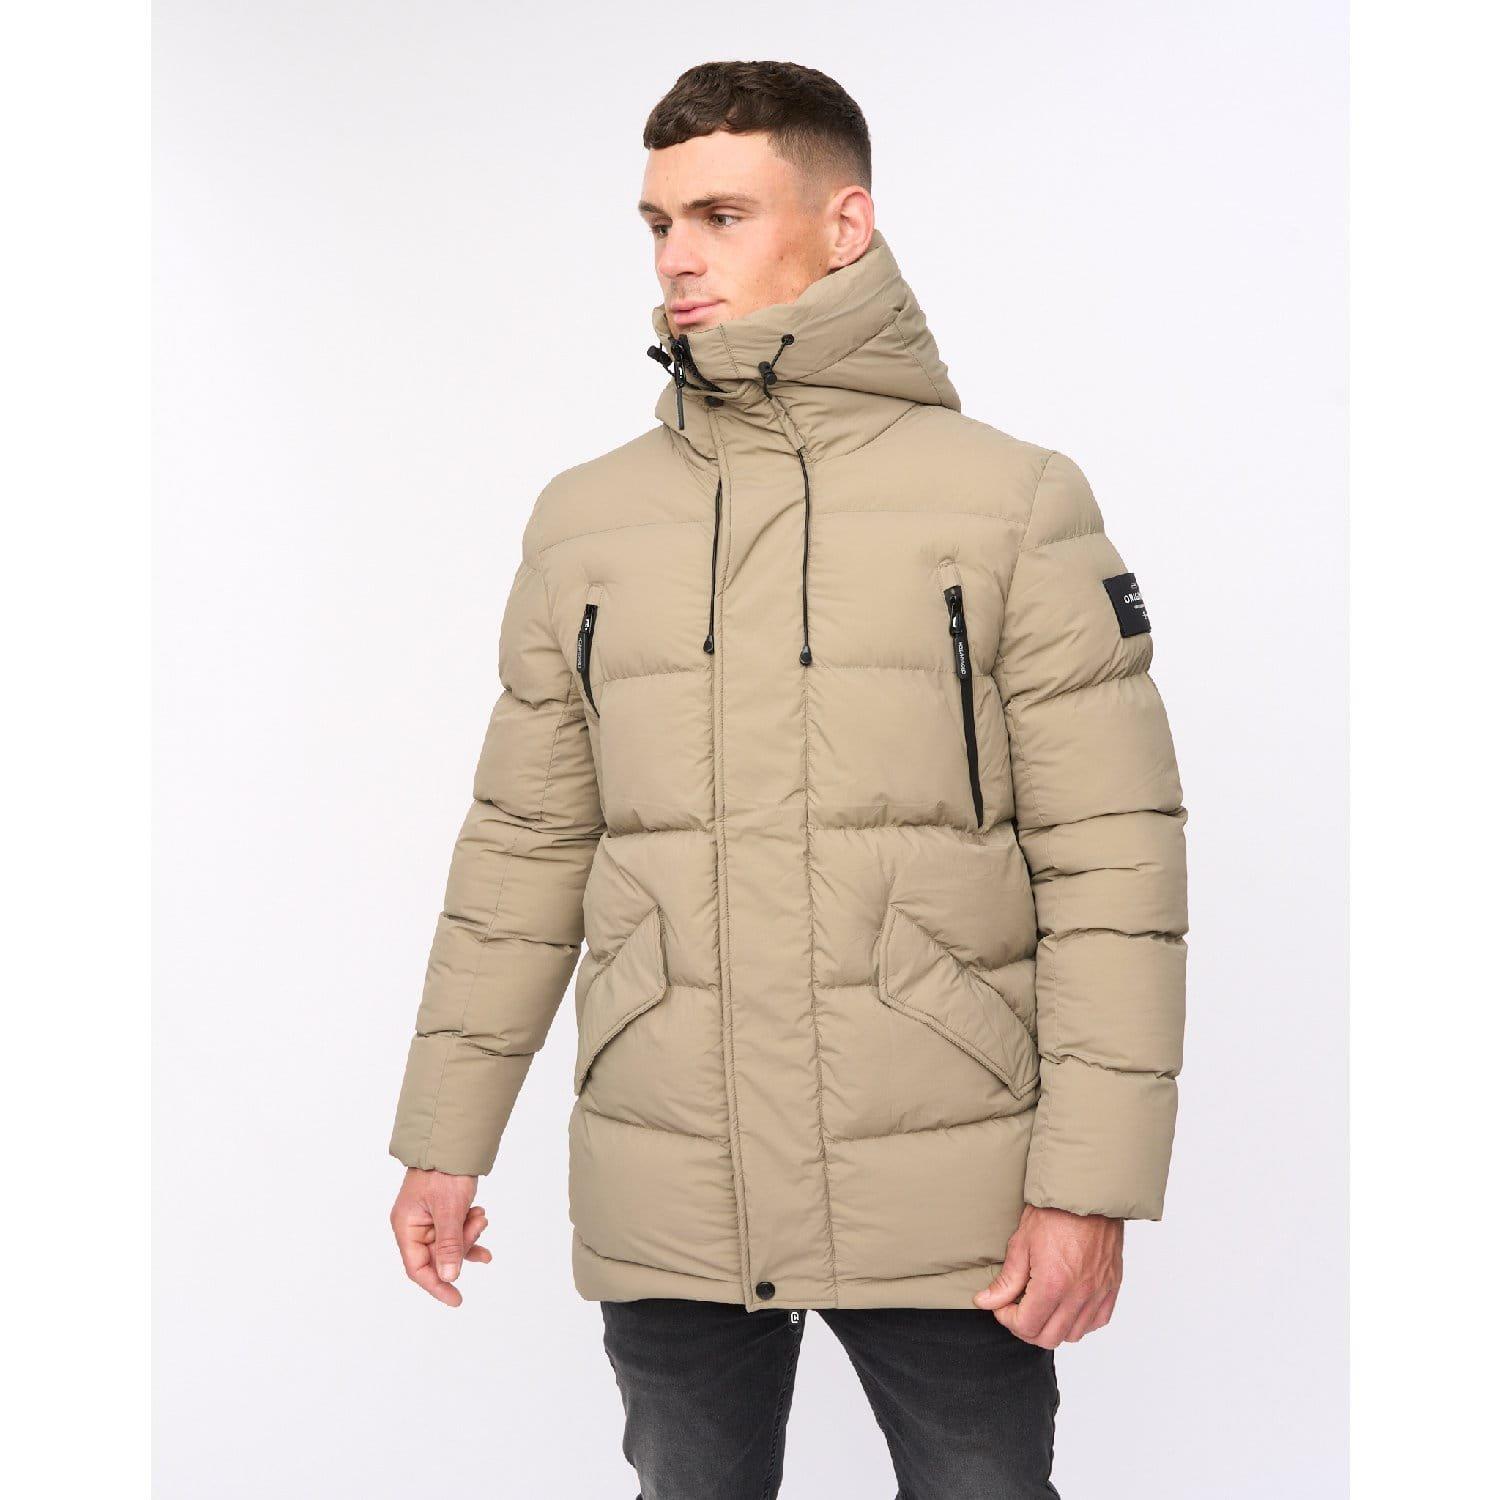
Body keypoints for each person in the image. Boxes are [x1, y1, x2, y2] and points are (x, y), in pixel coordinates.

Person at [387, 58, 1188, 1500]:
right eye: (658, 223)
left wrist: (1088, 1185)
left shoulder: (1013, 503)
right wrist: (445, 1141)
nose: (677, 258)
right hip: (669, 1161)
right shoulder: (587, 522)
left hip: (945, 1166)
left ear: (844, 224)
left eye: (721, 214)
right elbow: (521, 850)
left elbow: (1115, 863)